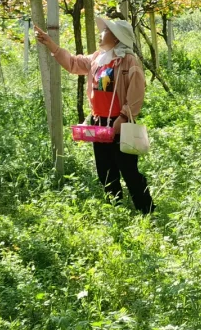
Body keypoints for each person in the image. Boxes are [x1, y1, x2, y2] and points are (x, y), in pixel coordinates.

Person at [35, 15, 154, 213]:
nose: (101, 34)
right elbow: (72, 63)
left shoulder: (129, 62)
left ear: (116, 37)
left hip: (119, 122)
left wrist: (123, 117)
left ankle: (146, 210)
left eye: (106, 31)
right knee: (105, 169)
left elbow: (136, 93)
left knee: (128, 169)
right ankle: (116, 208)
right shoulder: (97, 58)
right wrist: (51, 45)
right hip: (99, 121)